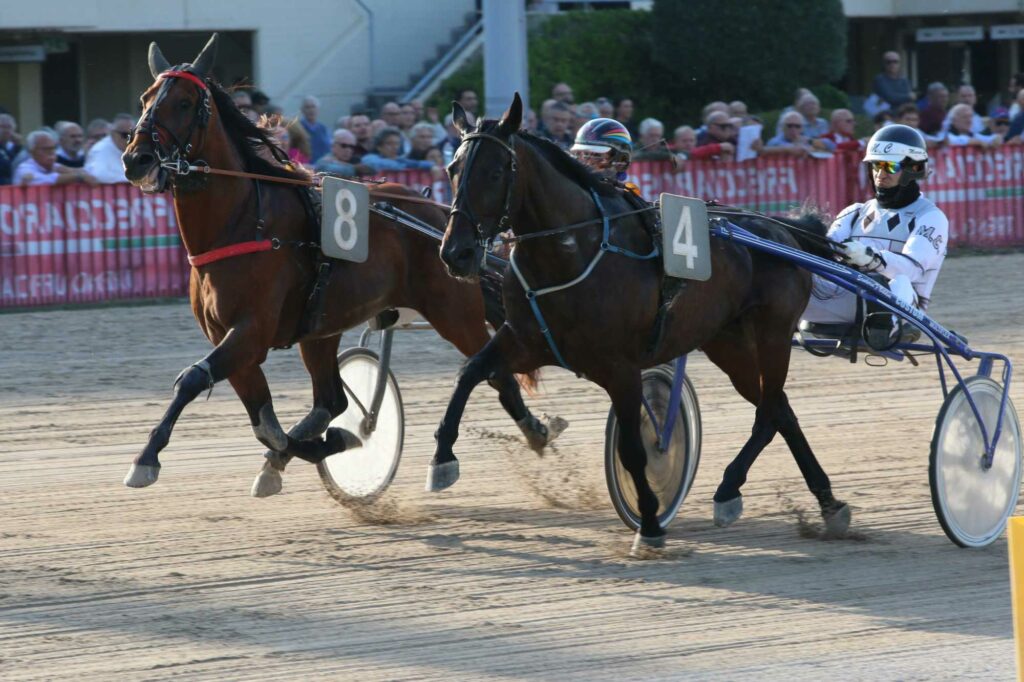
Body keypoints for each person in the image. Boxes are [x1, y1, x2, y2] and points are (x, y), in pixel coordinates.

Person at [802, 124, 948, 347]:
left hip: (902, 304)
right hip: (849, 298)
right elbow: (826, 253)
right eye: (875, 165)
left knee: (898, 281)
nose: (880, 174)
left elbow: (912, 270)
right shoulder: (854, 212)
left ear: (912, 168)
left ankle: (888, 327)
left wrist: (870, 257)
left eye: (890, 166)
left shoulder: (930, 217)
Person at [14, 129, 98, 186]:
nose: (51, 152)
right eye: (45, 149)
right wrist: (79, 176)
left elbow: (78, 170)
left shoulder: (54, 166)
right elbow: (47, 180)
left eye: (53, 148)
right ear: (32, 152)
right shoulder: (24, 168)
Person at [569, 117, 633, 182]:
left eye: (597, 155)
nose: (589, 162)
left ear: (621, 159)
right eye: (585, 154)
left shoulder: (626, 190)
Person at [359, 127, 435, 173]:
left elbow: (418, 163)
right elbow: (389, 165)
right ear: (379, 147)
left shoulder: (400, 160)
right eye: (389, 143)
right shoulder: (369, 158)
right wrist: (403, 165)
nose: (394, 147)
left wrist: (432, 166)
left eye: (397, 143)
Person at [84, 113, 133, 183]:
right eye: (125, 135)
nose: (130, 139)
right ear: (113, 133)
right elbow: (98, 175)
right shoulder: (100, 149)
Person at [299, 95, 330, 163]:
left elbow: (329, 150)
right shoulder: (298, 127)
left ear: (318, 109)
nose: (311, 110)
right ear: (302, 110)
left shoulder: (323, 129)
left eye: (313, 107)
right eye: (307, 107)